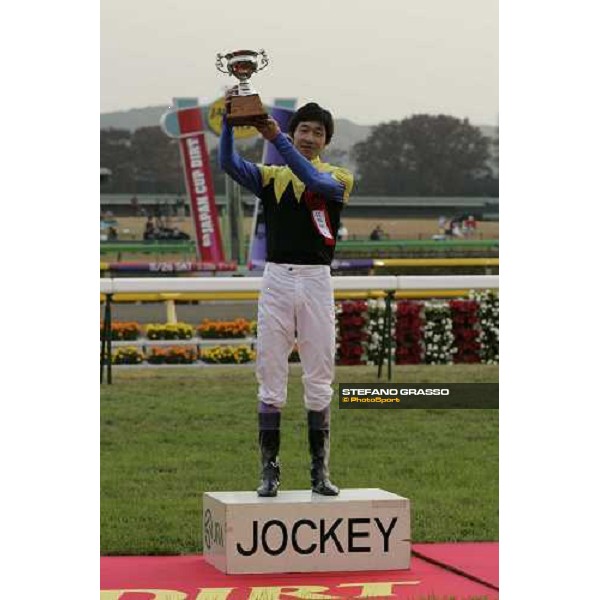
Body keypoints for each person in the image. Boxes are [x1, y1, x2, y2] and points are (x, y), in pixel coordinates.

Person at [219, 94, 354, 498]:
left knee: (319, 375)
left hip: (316, 278)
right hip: (277, 278)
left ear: (326, 141)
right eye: (304, 130)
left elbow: (312, 181)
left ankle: (319, 473)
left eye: (317, 132)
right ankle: (269, 472)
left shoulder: (338, 178)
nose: (310, 137)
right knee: (271, 376)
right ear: (295, 131)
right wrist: (228, 124)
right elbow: (228, 164)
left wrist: (278, 139)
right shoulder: (270, 177)